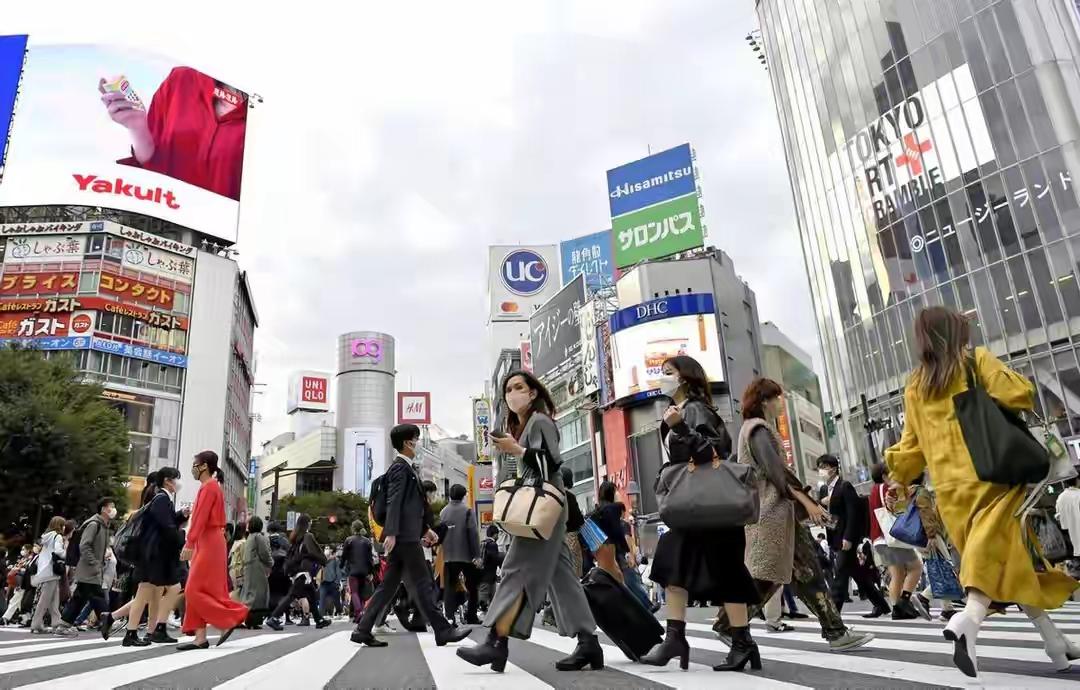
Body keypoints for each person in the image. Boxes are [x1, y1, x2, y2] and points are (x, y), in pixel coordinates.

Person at [885, 306, 1080, 676]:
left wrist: (898, 477)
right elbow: (1020, 394)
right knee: (998, 560)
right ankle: (969, 620)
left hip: (951, 494)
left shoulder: (915, 385)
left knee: (1009, 560)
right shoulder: (974, 362)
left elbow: (910, 448)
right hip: (993, 479)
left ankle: (1055, 644)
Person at [714, 376, 875, 654]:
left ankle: (834, 631)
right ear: (764, 400)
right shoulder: (758, 430)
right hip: (773, 516)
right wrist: (808, 503)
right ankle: (730, 625)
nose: (780, 403)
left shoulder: (754, 430)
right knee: (779, 575)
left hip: (777, 516)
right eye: (776, 397)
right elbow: (777, 473)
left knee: (796, 574)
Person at [457, 372, 603, 673]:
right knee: (561, 577)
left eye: (519, 387)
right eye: (508, 389)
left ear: (533, 393)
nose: (513, 394)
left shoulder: (540, 421)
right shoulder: (524, 426)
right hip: (545, 508)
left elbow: (551, 464)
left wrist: (518, 451)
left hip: (544, 508)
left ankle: (497, 642)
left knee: (516, 568)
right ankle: (589, 643)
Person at [640, 356, 759, 672]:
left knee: (727, 572)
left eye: (668, 373)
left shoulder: (694, 410)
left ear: (685, 378)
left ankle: (742, 644)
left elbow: (710, 453)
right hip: (696, 508)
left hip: (710, 507)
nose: (661, 377)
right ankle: (675, 637)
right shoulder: (679, 412)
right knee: (672, 566)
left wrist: (680, 427)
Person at [352, 424, 471, 648]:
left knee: (388, 586)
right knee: (423, 583)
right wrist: (392, 533)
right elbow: (394, 502)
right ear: (407, 443)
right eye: (416, 439)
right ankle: (443, 630)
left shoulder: (405, 468)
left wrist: (426, 530)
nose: (417, 443)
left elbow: (410, 506)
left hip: (406, 535)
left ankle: (362, 629)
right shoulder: (400, 469)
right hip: (404, 538)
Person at [100, 67, 247, 200]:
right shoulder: (181, 80)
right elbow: (152, 163)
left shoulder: (262, 117)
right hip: (163, 218)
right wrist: (138, 127)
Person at [179, 451, 249, 650]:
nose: (193, 467)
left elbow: (200, 518)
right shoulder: (209, 487)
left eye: (195, 463)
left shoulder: (209, 488)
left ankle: (231, 617)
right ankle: (200, 637)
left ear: (204, 466)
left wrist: (189, 543)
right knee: (200, 588)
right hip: (209, 540)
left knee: (192, 589)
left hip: (209, 541)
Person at [817, 454, 897, 618]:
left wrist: (849, 537)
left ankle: (832, 614)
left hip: (846, 538)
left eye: (824, 467)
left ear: (833, 468)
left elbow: (853, 514)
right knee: (859, 575)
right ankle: (881, 605)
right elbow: (825, 510)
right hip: (834, 536)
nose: (821, 470)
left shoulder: (844, 486)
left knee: (839, 574)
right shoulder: (824, 489)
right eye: (820, 467)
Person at [867, 462, 928, 620]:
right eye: (891, 474)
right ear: (884, 476)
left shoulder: (873, 491)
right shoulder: (889, 489)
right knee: (916, 567)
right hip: (893, 537)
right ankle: (904, 602)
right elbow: (902, 508)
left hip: (878, 539)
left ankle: (897, 608)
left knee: (897, 574)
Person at [54, 498, 116, 637]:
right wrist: (94, 562)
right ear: (103, 509)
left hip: (92, 569)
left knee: (80, 598)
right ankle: (108, 623)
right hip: (89, 569)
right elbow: (84, 545)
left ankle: (64, 626)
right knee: (98, 597)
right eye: (110, 507)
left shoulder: (104, 525)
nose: (113, 509)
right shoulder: (94, 524)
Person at [265, 514, 332, 630]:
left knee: (311, 594)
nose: (311, 524)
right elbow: (315, 552)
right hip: (304, 571)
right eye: (310, 522)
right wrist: (324, 559)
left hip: (297, 571)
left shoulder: (296, 537)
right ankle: (274, 617)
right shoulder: (308, 536)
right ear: (307, 524)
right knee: (292, 595)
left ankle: (318, 619)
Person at [439, 484, 481, 625]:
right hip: (467, 555)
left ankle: (450, 617)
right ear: (463, 495)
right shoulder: (467, 511)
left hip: (448, 556)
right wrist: (477, 555)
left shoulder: (443, 512)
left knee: (449, 587)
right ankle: (471, 616)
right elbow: (473, 534)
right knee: (472, 586)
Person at [30, 516, 68, 634]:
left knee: (53, 598)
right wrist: (67, 553)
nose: (64, 527)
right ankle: (36, 624)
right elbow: (58, 551)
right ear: (60, 525)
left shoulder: (47, 537)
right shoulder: (58, 537)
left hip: (45, 570)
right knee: (45, 599)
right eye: (63, 524)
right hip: (52, 571)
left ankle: (56, 622)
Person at [239, 516, 272, 628]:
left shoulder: (249, 538)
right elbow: (265, 553)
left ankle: (246, 619)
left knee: (249, 593)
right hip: (257, 568)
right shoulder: (259, 537)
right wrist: (271, 563)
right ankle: (253, 620)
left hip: (248, 568)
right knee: (258, 595)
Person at [343, 521, 375, 623]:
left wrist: (341, 565)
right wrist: (371, 571)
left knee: (355, 592)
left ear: (353, 529)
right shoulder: (367, 541)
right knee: (361, 593)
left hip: (353, 570)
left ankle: (359, 612)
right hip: (365, 570)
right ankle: (361, 613)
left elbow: (344, 556)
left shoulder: (348, 540)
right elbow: (370, 559)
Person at [560, 467, 586, 580]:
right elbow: (579, 521)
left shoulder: (552, 496)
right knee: (574, 575)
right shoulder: (570, 497)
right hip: (570, 539)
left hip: (555, 541)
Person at [477, 525, 501, 612]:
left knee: (487, 597)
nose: (498, 537)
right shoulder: (493, 545)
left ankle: (488, 616)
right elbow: (495, 559)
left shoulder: (482, 543)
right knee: (486, 599)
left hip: (482, 575)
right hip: (490, 576)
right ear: (495, 535)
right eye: (498, 534)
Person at [1056, 475, 1080, 559]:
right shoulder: (1078, 495)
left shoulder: (1061, 497)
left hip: (1069, 535)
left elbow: (1058, 515)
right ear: (1077, 480)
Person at [320, 546, 345, 618]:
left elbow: (338, 572)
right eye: (325, 548)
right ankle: (321, 615)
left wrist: (337, 582)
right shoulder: (322, 560)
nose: (326, 550)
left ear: (331, 550)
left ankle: (339, 611)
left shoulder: (336, 560)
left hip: (333, 582)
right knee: (322, 599)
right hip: (323, 582)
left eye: (328, 548)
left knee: (336, 600)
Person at [228, 523, 248, 601]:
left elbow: (229, 557)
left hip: (232, 569)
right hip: (239, 571)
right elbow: (244, 559)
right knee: (238, 593)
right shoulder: (243, 543)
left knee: (235, 590)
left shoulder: (235, 542)